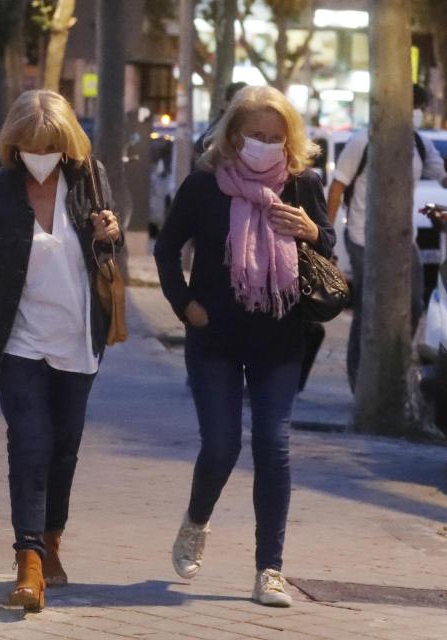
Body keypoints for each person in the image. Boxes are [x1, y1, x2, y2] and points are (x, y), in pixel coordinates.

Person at [0, 90, 121, 612]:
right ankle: (28, 561)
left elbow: (106, 249)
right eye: (32, 146)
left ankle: (52, 542)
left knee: (64, 447)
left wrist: (110, 234)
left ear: (68, 144)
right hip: (18, 339)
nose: (42, 156)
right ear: (14, 144)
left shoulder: (90, 180)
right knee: (30, 442)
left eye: (52, 146)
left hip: (77, 337)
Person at [154, 85, 335, 607]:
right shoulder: (205, 183)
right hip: (215, 337)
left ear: (290, 138)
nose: (266, 144)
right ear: (234, 134)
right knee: (221, 445)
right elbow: (167, 249)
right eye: (256, 134)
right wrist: (185, 305)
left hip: (280, 338)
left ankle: (269, 569)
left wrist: (310, 229)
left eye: (277, 137)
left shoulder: (303, 184)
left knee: (273, 447)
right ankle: (196, 521)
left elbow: (327, 248)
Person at [327, 83, 447, 392]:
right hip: (362, 236)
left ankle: (394, 368)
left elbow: (443, 177)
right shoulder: (363, 141)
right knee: (367, 307)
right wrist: (326, 238)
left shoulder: (420, 144)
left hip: (404, 239)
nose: (416, 113)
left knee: (414, 303)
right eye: (413, 106)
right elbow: (337, 188)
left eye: (419, 107)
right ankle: (360, 381)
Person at [194, 81, 249, 157]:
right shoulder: (221, 125)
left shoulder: (244, 124)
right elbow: (200, 148)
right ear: (227, 104)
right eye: (240, 101)